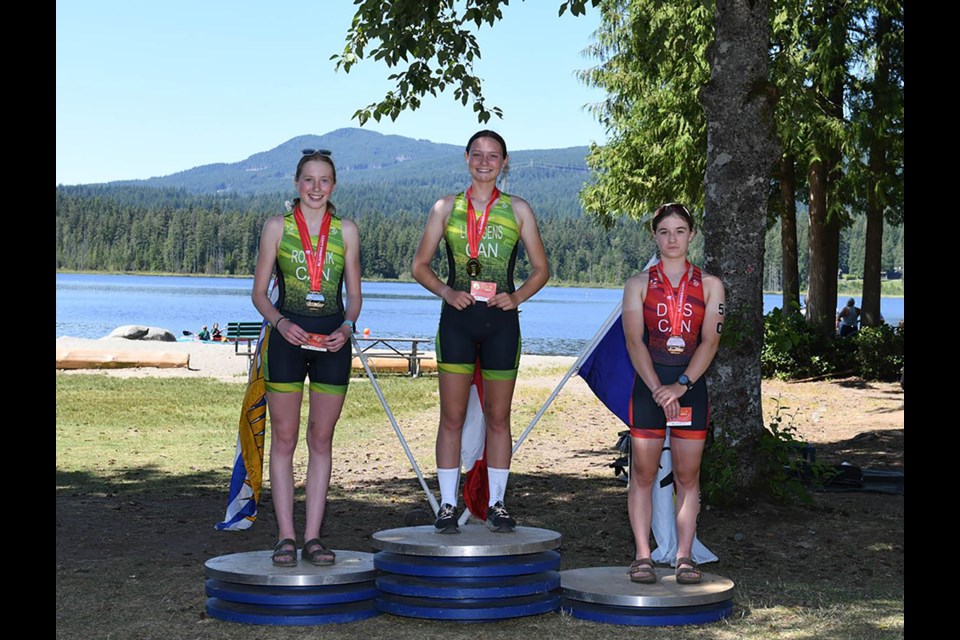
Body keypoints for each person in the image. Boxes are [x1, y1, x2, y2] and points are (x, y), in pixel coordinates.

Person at [412, 130, 550, 534]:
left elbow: (541, 268)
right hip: (457, 320)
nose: (485, 162)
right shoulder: (445, 208)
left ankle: (497, 503)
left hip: (501, 323)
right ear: (466, 158)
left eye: (493, 156)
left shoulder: (518, 209)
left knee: (497, 417)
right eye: (478, 154)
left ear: (505, 162)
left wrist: (517, 295)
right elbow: (420, 265)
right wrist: (446, 290)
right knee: (452, 417)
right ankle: (448, 504)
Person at [251, 149, 362, 567]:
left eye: (324, 180)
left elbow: (354, 298)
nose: (316, 188)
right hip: (287, 339)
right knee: (284, 439)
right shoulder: (277, 227)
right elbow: (259, 294)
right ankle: (285, 536)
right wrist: (280, 324)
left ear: (334, 185)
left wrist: (347, 328)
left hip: (333, 341)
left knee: (321, 439)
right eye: (308, 180)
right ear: (296, 183)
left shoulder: (346, 231)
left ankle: (313, 537)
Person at [621, 203, 725, 585]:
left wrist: (680, 386)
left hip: (689, 391)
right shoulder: (638, 283)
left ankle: (684, 556)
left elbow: (710, 343)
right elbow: (634, 342)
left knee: (687, 476)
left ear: (691, 235)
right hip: (649, 388)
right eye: (664, 231)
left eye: (680, 231)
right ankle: (643, 556)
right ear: (655, 236)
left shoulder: (711, 285)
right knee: (643, 475)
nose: (672, 239)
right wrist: (658, 389)